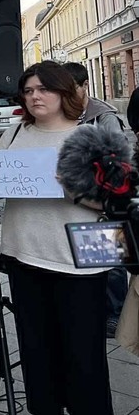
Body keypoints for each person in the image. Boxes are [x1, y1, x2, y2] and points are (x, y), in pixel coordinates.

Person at [0, 61, 113, 415]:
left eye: (44, 89)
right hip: (25, 255)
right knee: (36, 350)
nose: (35, 96)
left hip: (80, 262)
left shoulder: (91, 137)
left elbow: (114, 200)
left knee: (84, 356)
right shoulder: (13, 133)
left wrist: (71, 188)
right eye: (28, 90)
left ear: (63, 91)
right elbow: (5, 183)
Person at [63, 61, 130, 339]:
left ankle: (116, 315)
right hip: (76, 203)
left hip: (102, 200)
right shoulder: (66, 115)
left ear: (84, 86)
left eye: (71, 89)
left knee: (111, 263)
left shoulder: (103, 116)